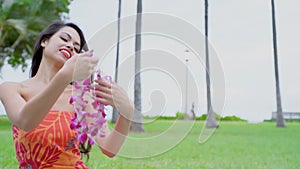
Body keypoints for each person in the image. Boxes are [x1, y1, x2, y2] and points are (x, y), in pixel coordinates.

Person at [0, 21, 134, 169]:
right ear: (44, 41)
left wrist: (127, 111)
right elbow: (25, 121)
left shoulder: (82, 98)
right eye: (64, 39)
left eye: (76, 48)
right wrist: (64, 76)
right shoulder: (12, 89)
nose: (70, 46)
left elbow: (109, 148)